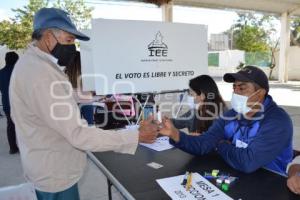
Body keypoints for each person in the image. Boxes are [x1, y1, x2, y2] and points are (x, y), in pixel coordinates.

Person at [9, 8, 158, 200]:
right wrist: (135, 136)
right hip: (55, 177)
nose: (73, 47)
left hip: (45, 165)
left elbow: (54, 97)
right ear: (48, 37)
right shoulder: (41, 74)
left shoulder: (31, 65)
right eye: (69, 40)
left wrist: (90, 96)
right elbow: (78, 135)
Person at [156, 66, 293, 175]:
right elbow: (204, 143)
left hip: (271, 186)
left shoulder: (277, 122)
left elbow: (248, 162)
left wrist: (219, 145)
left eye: (242, 88)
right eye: (234, 87)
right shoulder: (231, 115)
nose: (236, 93)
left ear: (261, 93)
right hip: (238, 178)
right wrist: (176, 134)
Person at [0, 51, 19, 154]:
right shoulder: (19, 72)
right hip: (19, 103)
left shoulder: (0, 73)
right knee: (22, 125)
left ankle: (13, 148)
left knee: (10, 125)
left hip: (7, 103)